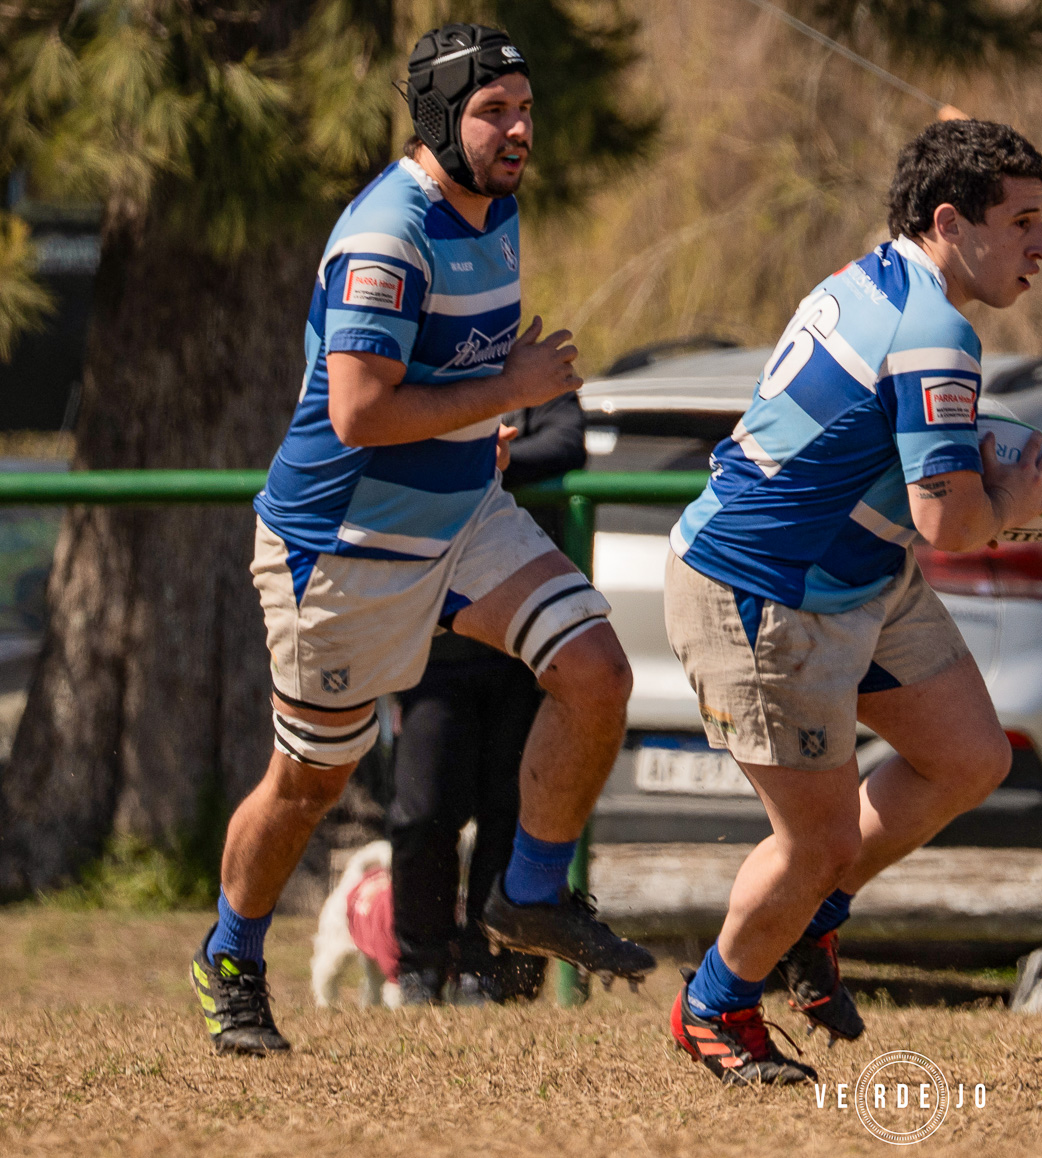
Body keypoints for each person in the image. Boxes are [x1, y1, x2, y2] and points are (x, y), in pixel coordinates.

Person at [191, 23, 653, 1055]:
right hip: (344, 545)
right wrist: (514, 393)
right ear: (440, 118)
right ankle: (229, 953)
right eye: (494, 112)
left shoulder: (496, 208)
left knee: (596, 671)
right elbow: (357, 413)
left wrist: (485, 418)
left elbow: (444, 378)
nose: (518, 129)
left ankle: (529, 894)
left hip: (461, 519)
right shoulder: (386, 234)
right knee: (310, 783)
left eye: (526, 108)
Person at [664, 119, 1042, 1085]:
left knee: (968, 756)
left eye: (1041, 223)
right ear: (948, 221)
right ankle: (714, 1010)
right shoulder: (936, 331)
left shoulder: (866, 277)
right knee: (820, 839)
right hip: (763, 590)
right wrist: (1013, 502)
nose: (1041, 248)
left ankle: (810, 921)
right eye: (1021, 223)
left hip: (855, 572)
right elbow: (950, 523)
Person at [386, 391, 586, 1006]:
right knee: (422, 813)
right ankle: (421, 968)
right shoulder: (426, 374)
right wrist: (480, 455)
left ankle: (495, 969)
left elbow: (565, 444)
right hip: (437, 651)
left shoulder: (539, 380)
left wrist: (484, 460)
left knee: (511, 810)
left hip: (521, 653)